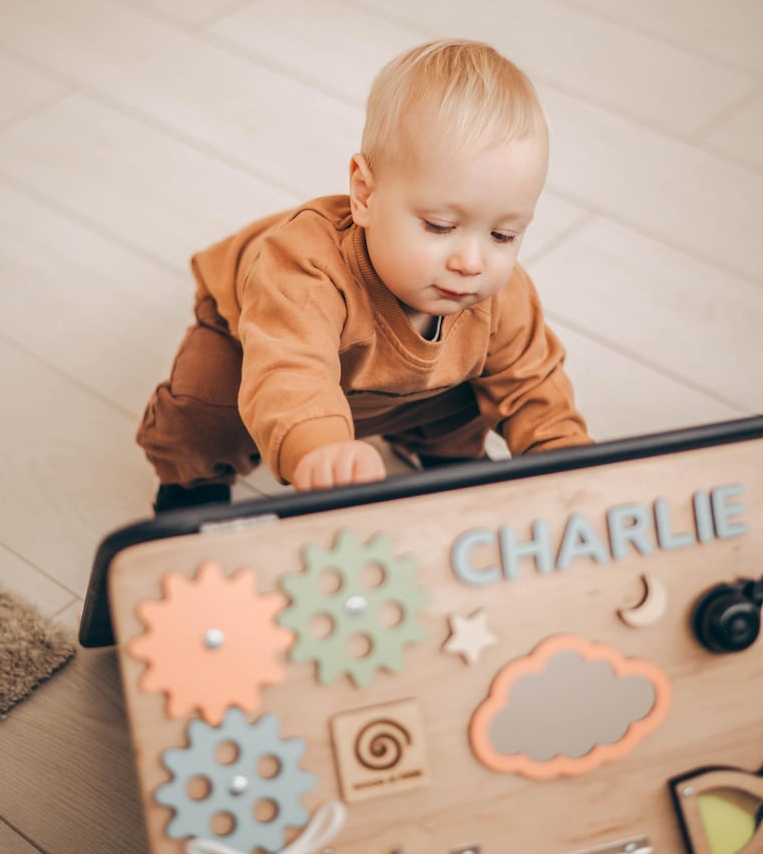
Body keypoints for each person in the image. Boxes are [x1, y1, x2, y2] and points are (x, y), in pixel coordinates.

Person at [137, 39, 591, 511]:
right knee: (205, 408)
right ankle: (191, 485)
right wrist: (319, 444)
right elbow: (292, 371)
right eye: (440, 226)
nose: (472, 262)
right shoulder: (303, 267)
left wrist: (563, 458)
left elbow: (532, 385)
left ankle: (440, 448)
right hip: (258, 334)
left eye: (503, 235)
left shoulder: (498, 294)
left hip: (390, 380)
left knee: (476, 386)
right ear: (365, 195)